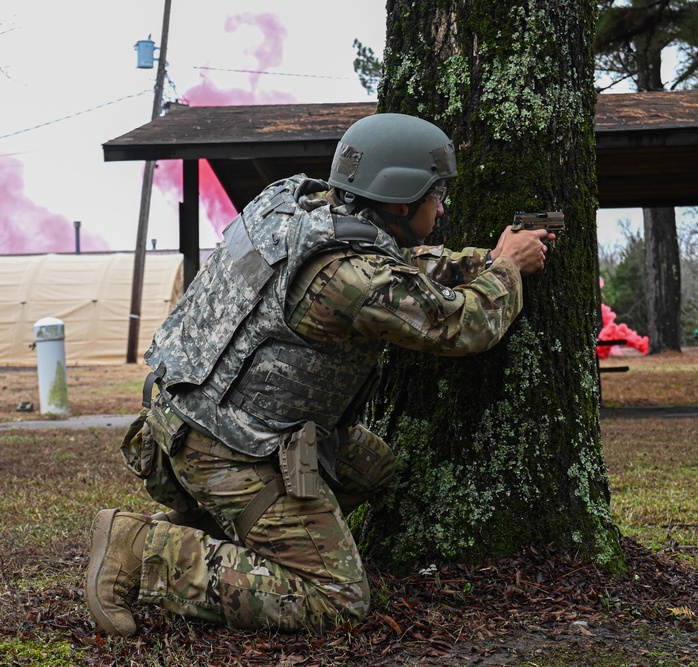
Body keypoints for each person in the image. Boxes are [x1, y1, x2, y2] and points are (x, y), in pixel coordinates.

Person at [85, 113, 555, 636]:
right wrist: (508, 269)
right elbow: (463, 326)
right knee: (337, 599)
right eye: (435, 193)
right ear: (400, 200)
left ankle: (234, 544)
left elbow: (394, 267)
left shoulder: (294, 204)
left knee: (367, 468)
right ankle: (143, 553)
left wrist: (482, 260)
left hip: (197, 414)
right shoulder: (347, 276)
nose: (441, 206)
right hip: (227, 448)